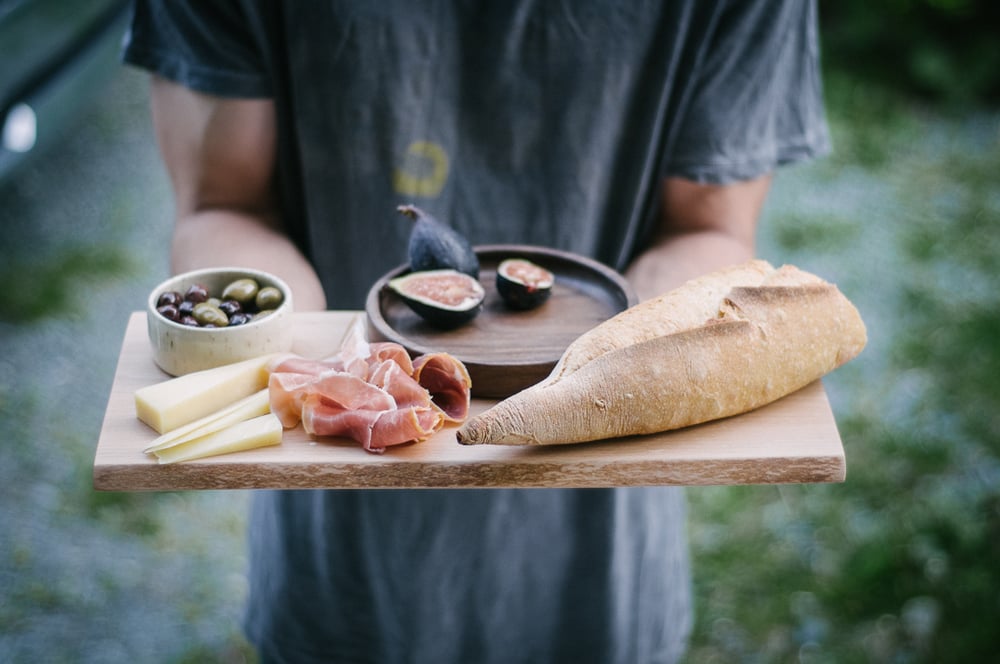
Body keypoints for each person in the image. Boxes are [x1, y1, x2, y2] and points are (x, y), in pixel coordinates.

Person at [123, 1, 829, 661]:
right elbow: (222, 200)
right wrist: (324, 375)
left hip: (597, 574)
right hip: (345, 571)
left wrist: (608, 374)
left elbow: (708, 227)